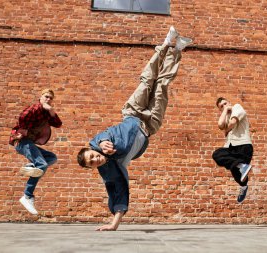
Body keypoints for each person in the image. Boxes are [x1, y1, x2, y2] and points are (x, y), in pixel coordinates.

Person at [77, 26, 192, 231]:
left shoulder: (100, 143)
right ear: (92, 168)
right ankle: (178, 50)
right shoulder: (109, 170)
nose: (97, 158)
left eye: (93, 155)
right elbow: (118, 190)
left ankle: (166, 44)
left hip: (132, 112)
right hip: (149, 125)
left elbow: (98, 137)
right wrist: (114, 224)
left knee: (147, 80)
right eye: (93, 162)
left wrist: (98, 143)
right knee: (162, 85)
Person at [9, 89, 62, 215]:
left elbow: (58, 124)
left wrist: (51, 111)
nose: (48, 99)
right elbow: (23, 116)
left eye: (50, 98)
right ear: (41, 97)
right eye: (46, 97)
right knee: (42, 165)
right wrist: (40, 106)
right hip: (22, 142)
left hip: (29, 144)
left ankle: (31, 165)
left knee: (52, 158)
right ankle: (27, 196)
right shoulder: (35, 108)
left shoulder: (47, 113)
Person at [212, 97, 254, 203]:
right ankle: (244, 186)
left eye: (226, 103)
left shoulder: (237, 107)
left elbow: (232, 123)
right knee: (217, 155)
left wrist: (227, 128)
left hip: (243, 146)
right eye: (222, 106)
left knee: (239, 174)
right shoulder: (226, 115)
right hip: (231, 148)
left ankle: (242, 167)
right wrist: (225, 111)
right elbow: (220, 125)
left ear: (230, 102)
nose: (225, 106)